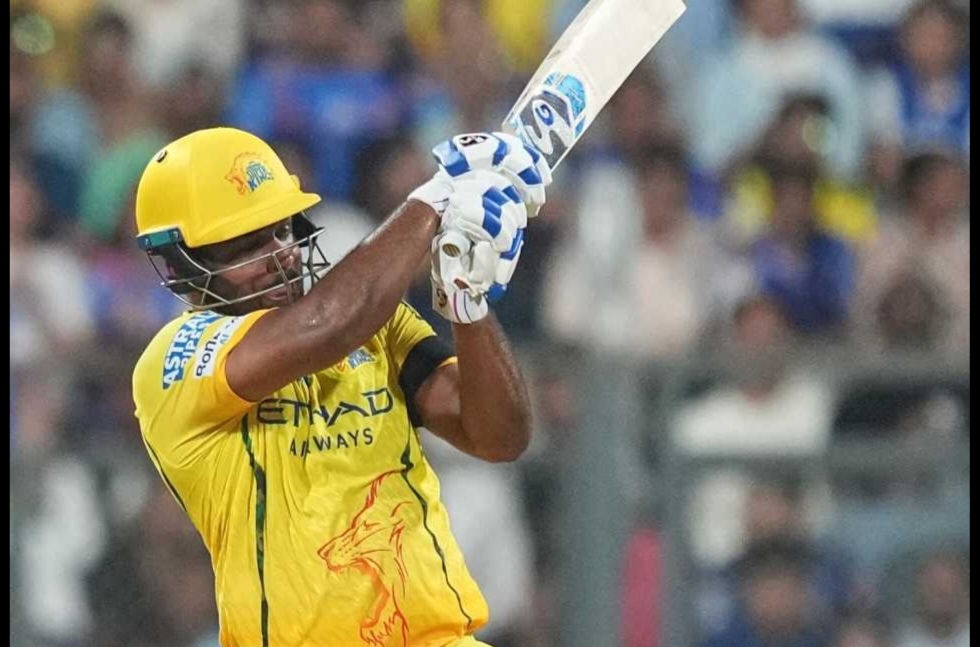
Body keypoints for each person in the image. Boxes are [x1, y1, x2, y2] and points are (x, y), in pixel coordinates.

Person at [131, 127, 551, 647]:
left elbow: (500, 437)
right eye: (249, 245)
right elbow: (326, 326)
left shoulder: (375, 325)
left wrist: (468, 302)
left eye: (282, 230)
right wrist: (437, 197)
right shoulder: (174, 361)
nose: (283, 255)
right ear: (183, 266)